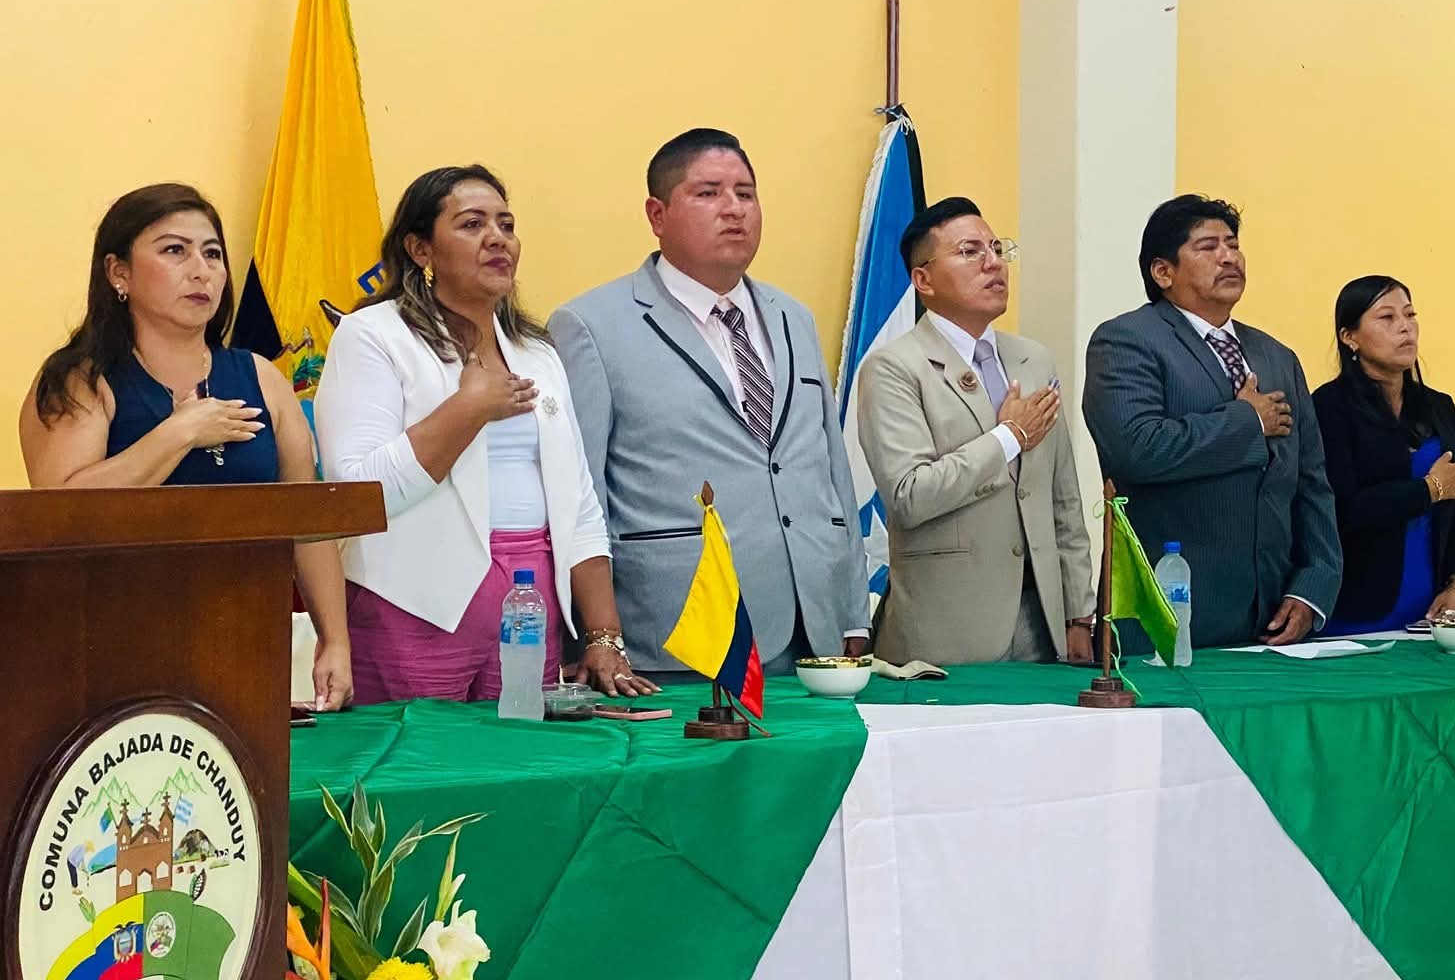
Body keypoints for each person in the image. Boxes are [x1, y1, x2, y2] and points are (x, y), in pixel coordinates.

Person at [314, 166, 655, 704]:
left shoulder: (537, 353)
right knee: (418, 756)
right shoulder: (374, 335)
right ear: (420, 249)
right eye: (472, 224)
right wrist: (468, 409)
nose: (498, 238)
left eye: (506, 224)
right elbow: (356, 493)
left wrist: (603, 635)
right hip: (412, 607)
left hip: (529, 603)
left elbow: (579, 502)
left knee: (520, 753)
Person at [20, 182, 352, 709]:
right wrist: (180, 432)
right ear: (119, 273)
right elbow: (58, 515)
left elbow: (307, 520)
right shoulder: (80, 380)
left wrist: (333, 638)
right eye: (175, 250)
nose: (202, 271)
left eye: (213, 254)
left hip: (246, 639)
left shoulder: (262, 379)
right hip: (104, 647)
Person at [552, 128, 869, 677]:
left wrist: (854, 612)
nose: (734, 209)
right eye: (708, 193)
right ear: (657, 215)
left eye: (746, 193)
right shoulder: (592, 326)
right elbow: (581, 494)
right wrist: (597, 635)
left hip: (814, 631)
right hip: (678, 633)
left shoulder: (792, 317)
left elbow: (833, 471)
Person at [1082, 194, 1340, 649]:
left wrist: (1313, 587)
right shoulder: (1126, 341)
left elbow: (1312, 482)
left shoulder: (1277, 356)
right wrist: (1247, 421)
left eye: (1233, 245)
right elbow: (1135, 449)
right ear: (1163, 272)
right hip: (1168, 619)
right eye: (1208, 247)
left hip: (1272, 617)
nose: (1228, 257)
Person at [856, 197, 1095, 666]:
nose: (993, 263)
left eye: (997, 249)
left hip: (1043, 627)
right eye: (970, 251)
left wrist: (1077, 613)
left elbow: (1062, 497)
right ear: (923, 280)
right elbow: (910, 495)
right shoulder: (894, 368)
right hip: (947, 632)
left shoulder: (1033, 360)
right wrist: (1008, 437)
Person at [1311, 275, 1455, 632]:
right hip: (1354, 610)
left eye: (1410, 315)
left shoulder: (1438, 406)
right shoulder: (1330, 406)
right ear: (1350, 337)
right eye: (1387, 318)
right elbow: (1342, 510)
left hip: (1430, 615)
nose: (1405, 327)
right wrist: (1428, 490)